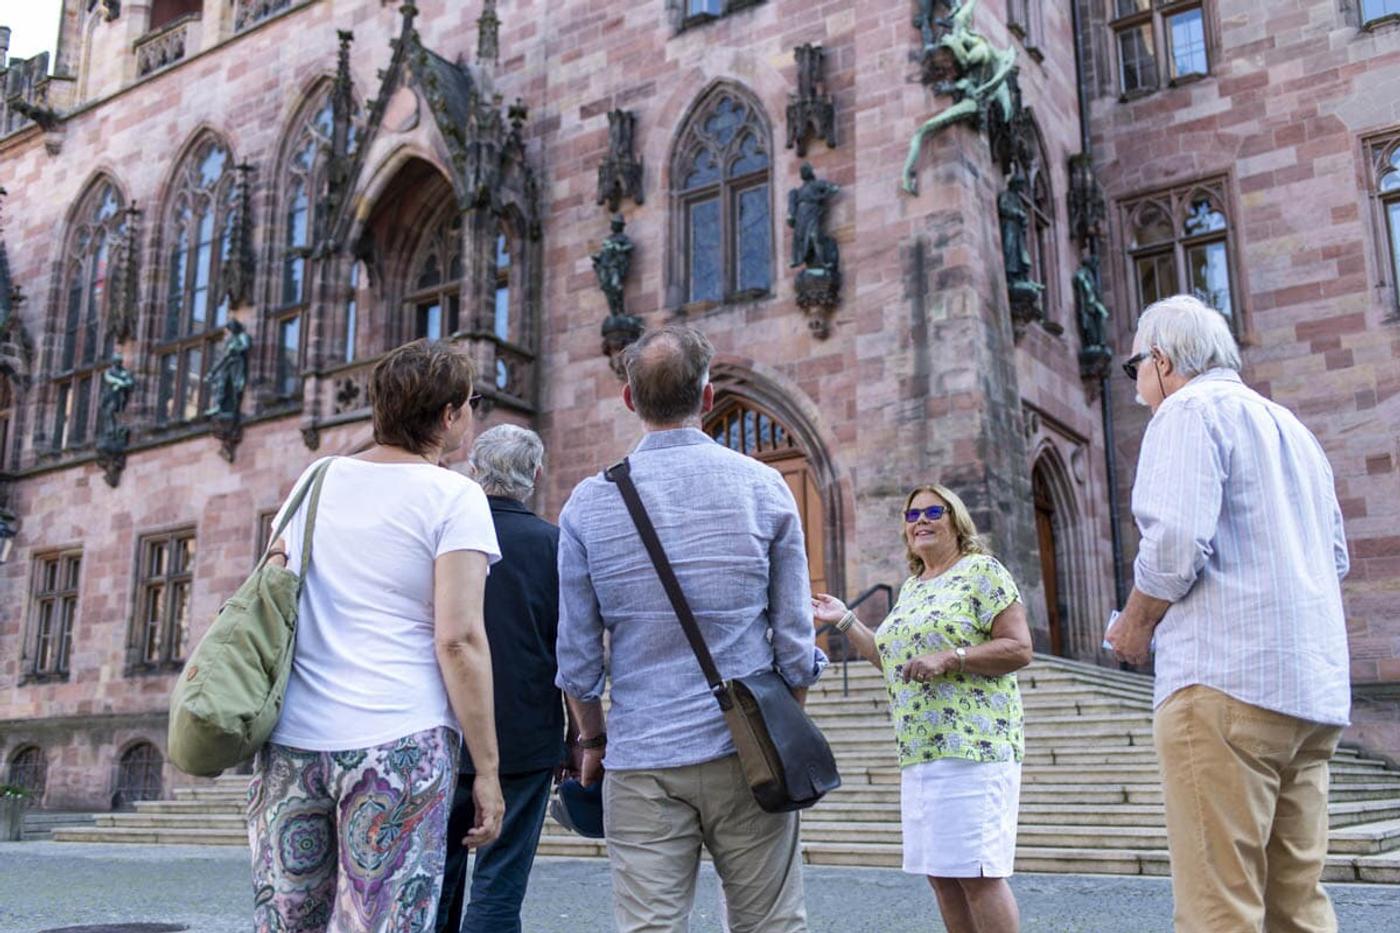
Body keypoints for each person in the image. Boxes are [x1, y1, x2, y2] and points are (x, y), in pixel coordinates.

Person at [555, 324, 825, 933]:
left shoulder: (587, 505)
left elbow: (575, 656)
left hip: (641, 756)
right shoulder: (765, 488)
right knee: (772, 925)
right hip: (746, 754)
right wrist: (779, 727)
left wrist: (591, 743)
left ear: (630, 400)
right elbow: (794, 640)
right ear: (707, 397)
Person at [1106, 294, 1350, 932]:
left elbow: (1174, 544)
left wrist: (1134, 627)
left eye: (1135, 370)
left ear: (1160, 360)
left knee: (1220, 908)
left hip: (1223, 682)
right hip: (1309, 689)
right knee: (1297, 906)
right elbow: (1337, 559)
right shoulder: (1293, 428)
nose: (1138, 389)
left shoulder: (1187, 411)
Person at [246, 339, 505, 931]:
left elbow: (273, 584)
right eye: (468, 403)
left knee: (288, 923)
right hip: (399, 744)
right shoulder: (456, 496)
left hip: (292, 743)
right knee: (386, 922)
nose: (470, 413)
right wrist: (487, 769)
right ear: (447, 417)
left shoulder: (314, 479)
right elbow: (459, 639)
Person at [813, 484, 1032, 933]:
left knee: (977, 875)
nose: (921, 521)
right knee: (942, 877)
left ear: (957, 520)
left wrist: (953, 657)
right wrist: (846, 620)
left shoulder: (981, 571)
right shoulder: (914, 587)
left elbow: (1019, 647)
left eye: (935, 511)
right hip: (920, 750)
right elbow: (892, 662)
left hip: (975, 745)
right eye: (912, 515)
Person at [436, 424, 565, 933]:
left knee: (435, 883)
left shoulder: (446, 535)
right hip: (525, 740)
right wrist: (582, 736)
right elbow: (570, 652)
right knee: (500, 885)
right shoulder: (554, 544)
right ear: (535, 475)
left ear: (474, 470)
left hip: (443, 728)